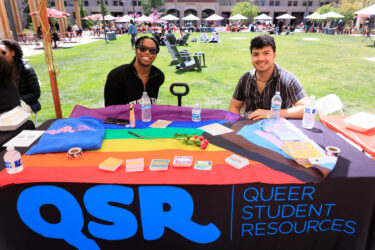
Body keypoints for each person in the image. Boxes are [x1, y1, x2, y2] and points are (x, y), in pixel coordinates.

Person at [229, 35, 308, 120]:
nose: (260, 58)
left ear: (274, 54)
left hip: (278, 129)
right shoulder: (245, 79)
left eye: (266, 53)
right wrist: (238, 124)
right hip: (250, 128)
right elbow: (234, 107)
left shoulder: (288, 79)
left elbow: (307, 109)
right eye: (256, 54)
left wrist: (273, 113)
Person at [104, 36, 165, 106]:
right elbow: (110, 110)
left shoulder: (158, 76)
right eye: (143, 49)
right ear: (136, 50)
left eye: (152, 50)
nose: (147, 52)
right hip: (121, 117)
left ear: (156, 54)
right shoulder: (117, 76)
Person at [0, 39, 41, 114]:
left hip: (26, 104)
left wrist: (19, 100)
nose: (0, 56)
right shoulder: (2, 71)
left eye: (3, 52)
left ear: (12, 53)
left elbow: (36, 94)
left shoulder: (27, 70)